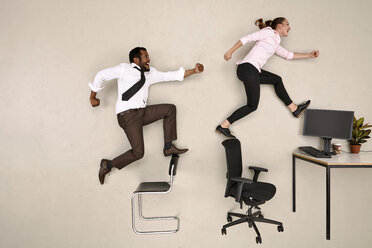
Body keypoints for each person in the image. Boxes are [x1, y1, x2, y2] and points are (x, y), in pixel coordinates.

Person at [89, 47, 204, 184]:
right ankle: (107, 165)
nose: (149, 59)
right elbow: (101, 75)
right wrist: (93, 97)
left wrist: (194, 71)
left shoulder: (150, 74)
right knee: (138, 153)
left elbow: (170, 75)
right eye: (145, 56)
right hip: (127, 116)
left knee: (170, 109)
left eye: (148, 56)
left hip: (142, 113)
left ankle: (168, 147)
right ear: (136, 59)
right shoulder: (124, 69)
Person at [216, 17, 319, 138]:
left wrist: (309, 55)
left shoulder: (275, 41)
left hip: (251, 71)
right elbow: (247, 38)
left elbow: (288, 55)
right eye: (287, 24)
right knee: (252, 106)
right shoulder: (268, 32)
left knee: (277, 80)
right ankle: (223, 126)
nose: (289, 27)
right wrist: (230, 52)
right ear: (279, 26)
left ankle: (294, 108)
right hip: (248, 68)